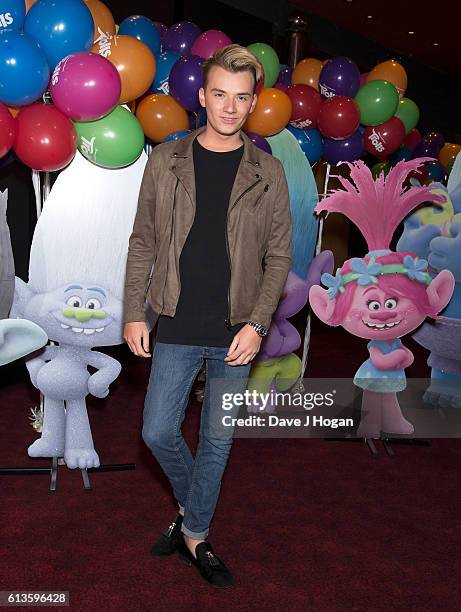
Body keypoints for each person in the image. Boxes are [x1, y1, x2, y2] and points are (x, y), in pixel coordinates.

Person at [123, 44, 292, 588]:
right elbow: (143, 242)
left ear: (252, 104)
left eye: (241, 98)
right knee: (155, 431)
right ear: (202, 96)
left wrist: (259, 323)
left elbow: (279, 256)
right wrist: (133, 312)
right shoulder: (165, 160)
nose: (228, 107)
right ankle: (192, 507)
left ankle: (194, 531)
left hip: (236, 329)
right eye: (219, 94)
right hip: (173, 319)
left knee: (218, 438)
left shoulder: (269, 172)